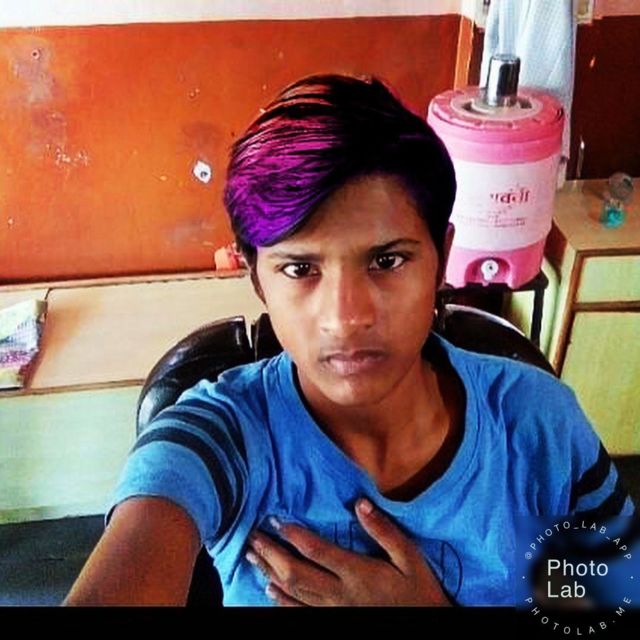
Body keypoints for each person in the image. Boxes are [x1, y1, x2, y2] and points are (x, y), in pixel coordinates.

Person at [64, 73, 635, 607]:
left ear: (441, 260)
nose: (345, 318)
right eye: (299, 269)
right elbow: (152, 516)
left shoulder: (538, 426)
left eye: (387, 261)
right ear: (256, 279)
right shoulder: (225, 434)